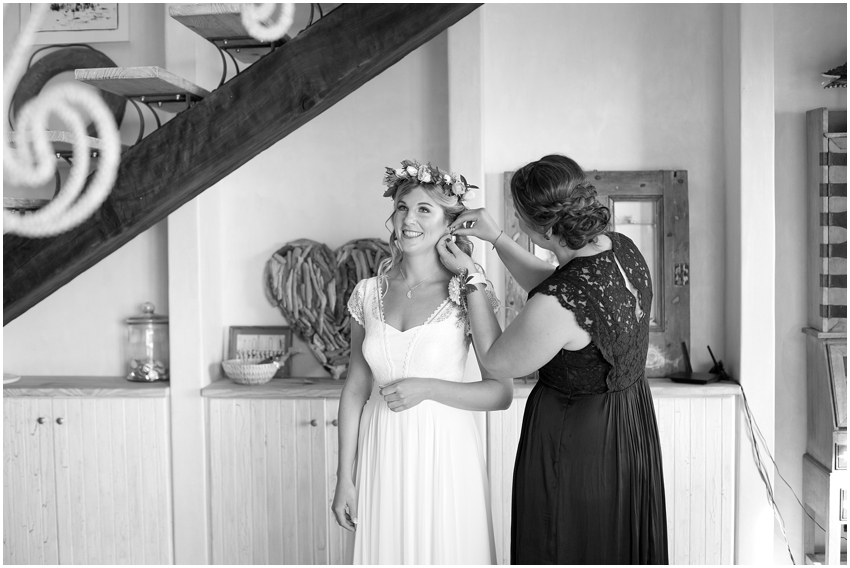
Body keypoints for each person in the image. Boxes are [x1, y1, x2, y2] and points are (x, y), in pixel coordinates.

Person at [437, 154, 669, 564]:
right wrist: (497, 238)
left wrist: (470, 277)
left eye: (518, 216)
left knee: (566, 544)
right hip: (629, 425)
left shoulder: (559, 302)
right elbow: (559, 284)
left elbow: (496, 361)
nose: (515, 220)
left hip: (577, 444)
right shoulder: (620, 248)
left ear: (542, 230)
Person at [331, 160, 511, 565]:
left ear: (450, 223)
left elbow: (500, 393)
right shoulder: (366, 293)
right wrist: (344, 477)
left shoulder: (470, 290)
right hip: (381, 448)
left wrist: (427, 389)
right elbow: (355, 390)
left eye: (423, 209)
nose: (408, 219)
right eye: (401, 207)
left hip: (444, 452)